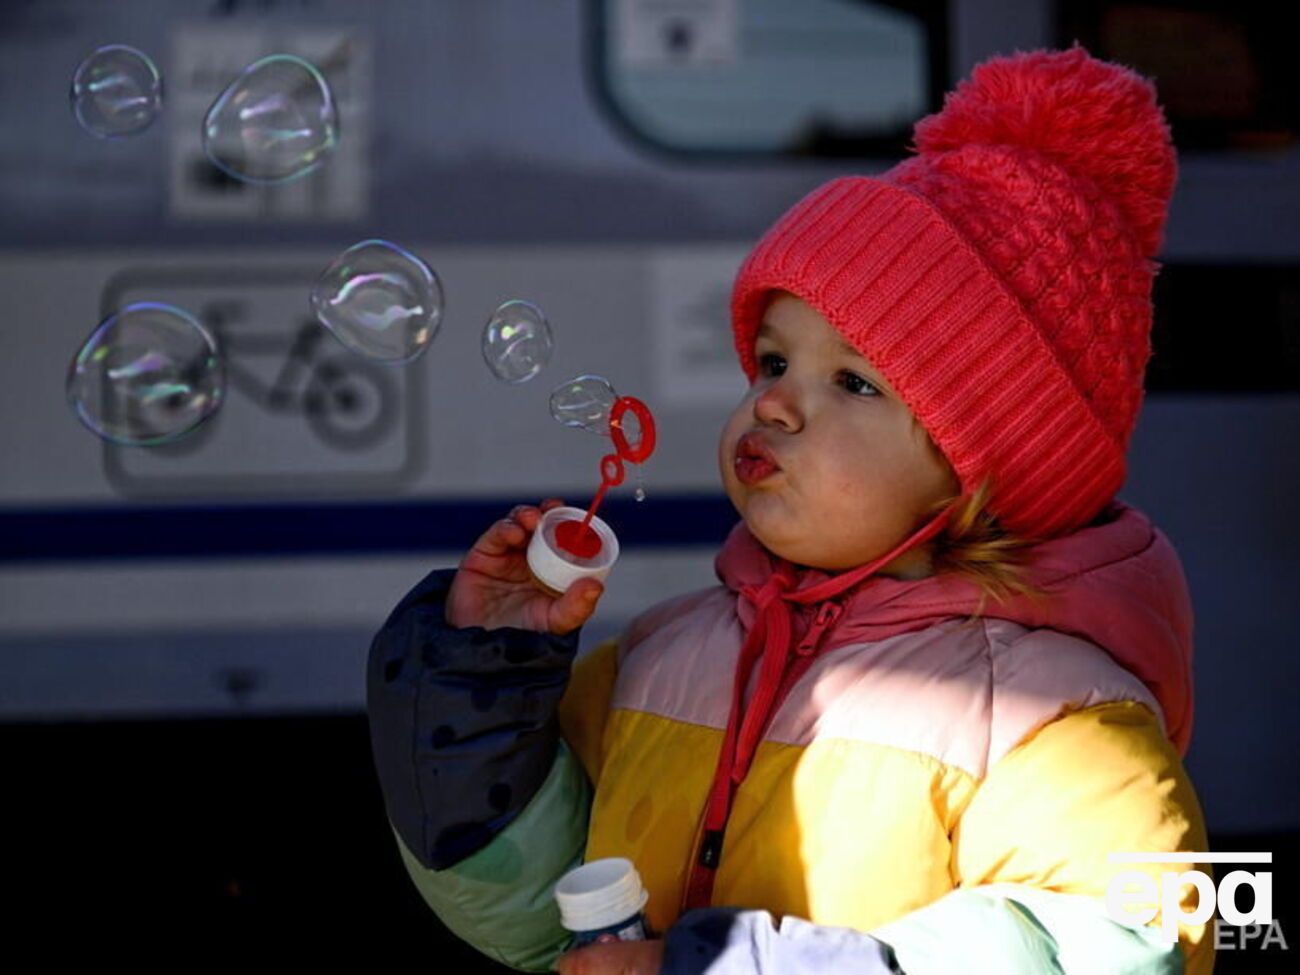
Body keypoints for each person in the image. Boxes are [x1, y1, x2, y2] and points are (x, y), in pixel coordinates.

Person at [367, 44, 1213, 973]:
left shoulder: (1055, 715)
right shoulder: (662, 657)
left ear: (981, 468)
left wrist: (733, 963)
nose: (772, 400)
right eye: (774, 361)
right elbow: (521, 905)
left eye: (853, 381)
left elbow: (1129, 940)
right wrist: (486, 673)